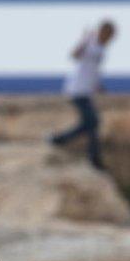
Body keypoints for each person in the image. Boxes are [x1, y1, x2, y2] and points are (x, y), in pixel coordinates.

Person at [50, 20, 117, 171]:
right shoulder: (90, 41)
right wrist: (84, 40)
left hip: (86, 90)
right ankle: (60, 140)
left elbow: (94, 70)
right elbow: (74, 55)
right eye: (109, 35)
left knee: (90, 124)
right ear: (103, 32)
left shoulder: (102, 50)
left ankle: (92, 157)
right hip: (76, 89)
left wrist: (98, 86)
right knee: (92, 122)